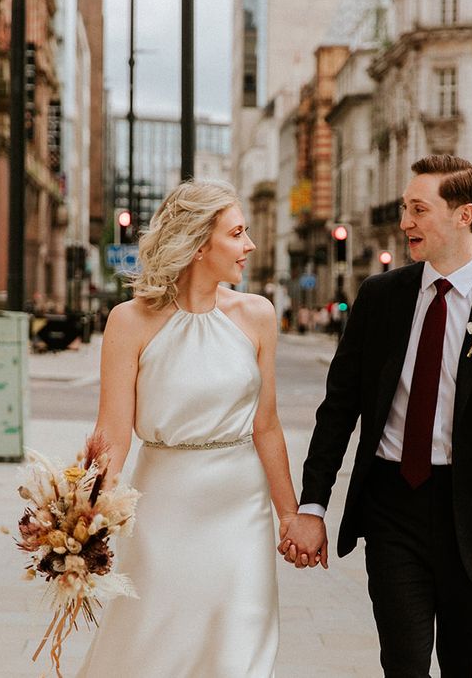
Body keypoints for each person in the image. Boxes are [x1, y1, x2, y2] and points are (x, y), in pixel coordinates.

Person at [280, 154, 472, 677]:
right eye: (406, 208)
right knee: (403, 665)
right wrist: (312, 505)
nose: (405, 222)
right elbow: (338, 407)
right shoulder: (379, 298)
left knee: (467, 668)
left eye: (418, 209)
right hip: (392, 509)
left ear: (463, 215)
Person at [77, 179, 299, 677]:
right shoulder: (128, 321)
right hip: (163, 509)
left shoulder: (257, 316)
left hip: (242, 509)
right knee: (154, 647)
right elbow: (112, 433)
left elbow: (266, 425)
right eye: (238, 233)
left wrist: (290, 516)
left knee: (240, 648)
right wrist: (79, 523)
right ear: (200, 244)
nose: (250, 245)